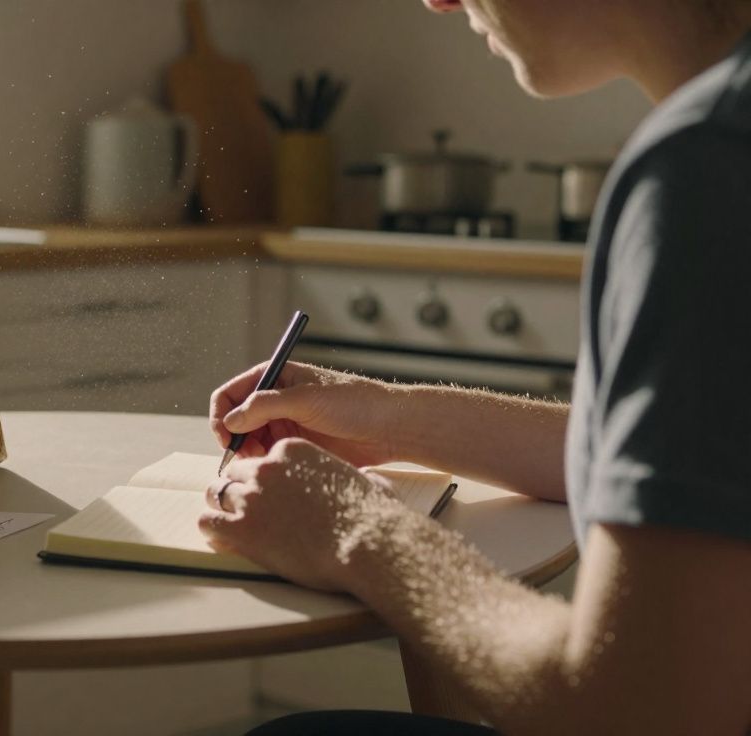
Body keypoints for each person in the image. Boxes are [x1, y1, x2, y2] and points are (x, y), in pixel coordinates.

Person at [204, 2, 751, 734]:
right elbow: (706, 470)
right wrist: (385, 414)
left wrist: (357, 531)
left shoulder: (707, 167)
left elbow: (631, 708)